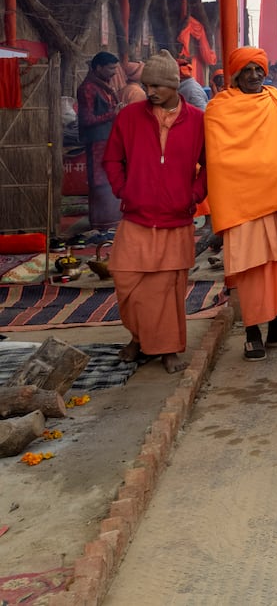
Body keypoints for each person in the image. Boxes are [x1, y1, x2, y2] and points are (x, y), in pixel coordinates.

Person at [205, 46, 277, 360]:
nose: (254, 76)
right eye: (247, 70)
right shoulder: (219, 108)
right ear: (235, 74)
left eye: (259, 70)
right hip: (242, 206)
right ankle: (252, 334)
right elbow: (218, 159)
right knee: (249, 270)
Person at [103, 51, 205, 373]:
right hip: (137, 216)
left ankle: (167, 349)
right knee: (126, 279)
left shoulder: (198, 121)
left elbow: (211, 167)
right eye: (147, 86)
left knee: (166, 289)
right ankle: (138, 336)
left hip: (177, 218)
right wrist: (124, 190)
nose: (151, 93)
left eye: (158, 86)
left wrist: (194, 195)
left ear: (174, 86)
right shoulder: (129, 117)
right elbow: (111, 159)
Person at [78, 51, 124, 230]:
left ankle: (112, 220)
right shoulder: (87, 88)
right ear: (98, 68)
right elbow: (86, 119)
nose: (114, 72)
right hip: (96, 142)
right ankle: (101, 223)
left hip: (109, 141)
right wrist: (113, 114)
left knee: (112, 178)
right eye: (111, 68)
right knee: (99, 181)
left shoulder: (104, 86)